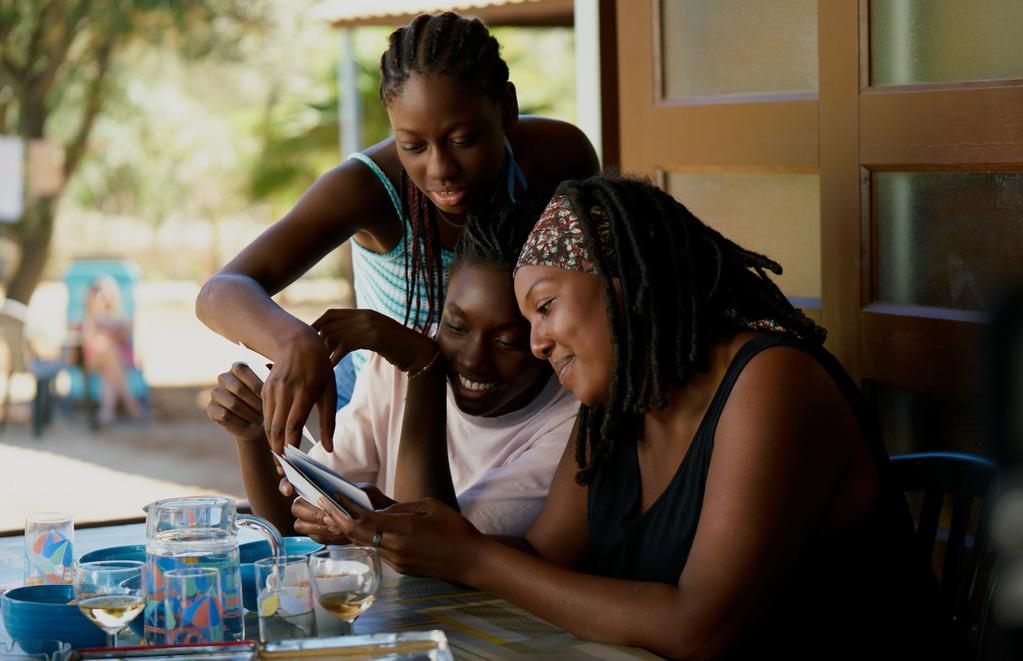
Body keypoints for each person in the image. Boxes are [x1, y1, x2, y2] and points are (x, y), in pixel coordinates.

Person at [317, 175, 961, 659]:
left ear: (624, 281)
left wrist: (475, 560)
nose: (538, 344)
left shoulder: (773, 382)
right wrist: (433, 544)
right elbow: (547, 558)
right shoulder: (618, 405)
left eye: (543, 308)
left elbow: (698, 626)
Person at [196, 12, 598, 455]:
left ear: (506, 107)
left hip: (519, 409)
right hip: (387, 416)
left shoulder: (559, 158)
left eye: (463, 140)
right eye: (413, 146)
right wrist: (292, 340)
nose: (441, 169)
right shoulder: (368, 188)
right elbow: (222, 290)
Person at [207, 200, 578, 540]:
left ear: (546, 339)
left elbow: (439, 552)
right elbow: (290, 526)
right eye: (456, 327)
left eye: (507, 342)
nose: (473, 358)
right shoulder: (398, 366)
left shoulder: (567, 425)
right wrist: (251, 435)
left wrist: (426, 372)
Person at [80, 276, 143, 425]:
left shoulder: (117, 318)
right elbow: (89, 342)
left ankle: (106, 412)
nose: (98, 299)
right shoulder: (88, 320)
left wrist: (113, 329)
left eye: (102, 294)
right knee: (108, 351)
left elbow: (128, 332)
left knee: (109, 370)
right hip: (95, 359)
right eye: (95, 294)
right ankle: (131, 405)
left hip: (117, 361)